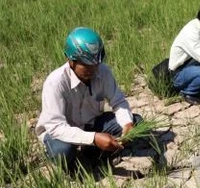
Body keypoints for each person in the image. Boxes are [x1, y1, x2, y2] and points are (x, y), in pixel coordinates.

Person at [35, 27, 142, 172]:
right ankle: (77, 160)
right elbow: (56, 127)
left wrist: (127, 124)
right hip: (61, 133)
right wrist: (93, 138)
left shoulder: (103, 72)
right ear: (71, 61)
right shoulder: (55, 82)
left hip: (91, 124)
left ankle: (92, 152)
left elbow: (119, 102)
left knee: (136, 122)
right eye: (86, 64)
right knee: (63, 152)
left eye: (95, 63)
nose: (93, 69)